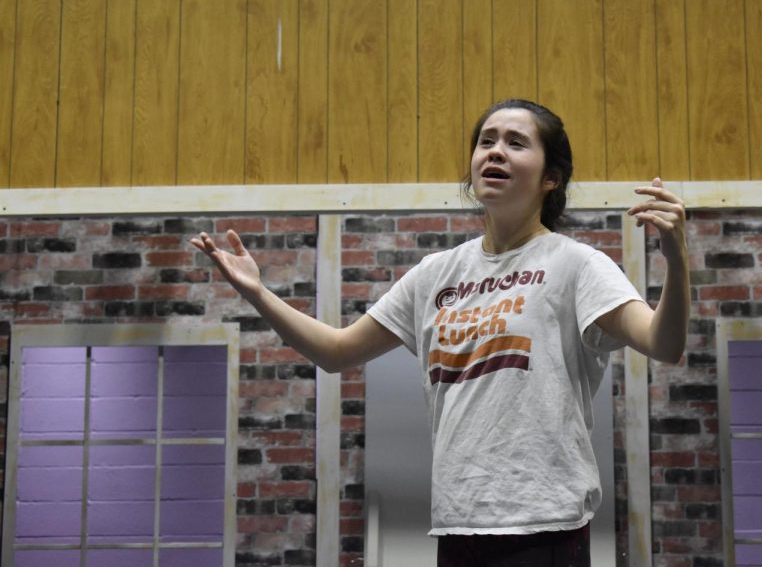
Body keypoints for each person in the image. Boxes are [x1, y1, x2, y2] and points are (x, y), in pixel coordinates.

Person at [191, 98, 689, 566]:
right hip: (457, 523)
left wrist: (675, 259)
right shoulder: (437, 273)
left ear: (550, 178)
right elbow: (336, 351)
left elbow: (663, 344)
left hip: (545, 526)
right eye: (486, 140)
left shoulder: (576, 265)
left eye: (516, 142)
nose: (495, 151)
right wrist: (257, 293)